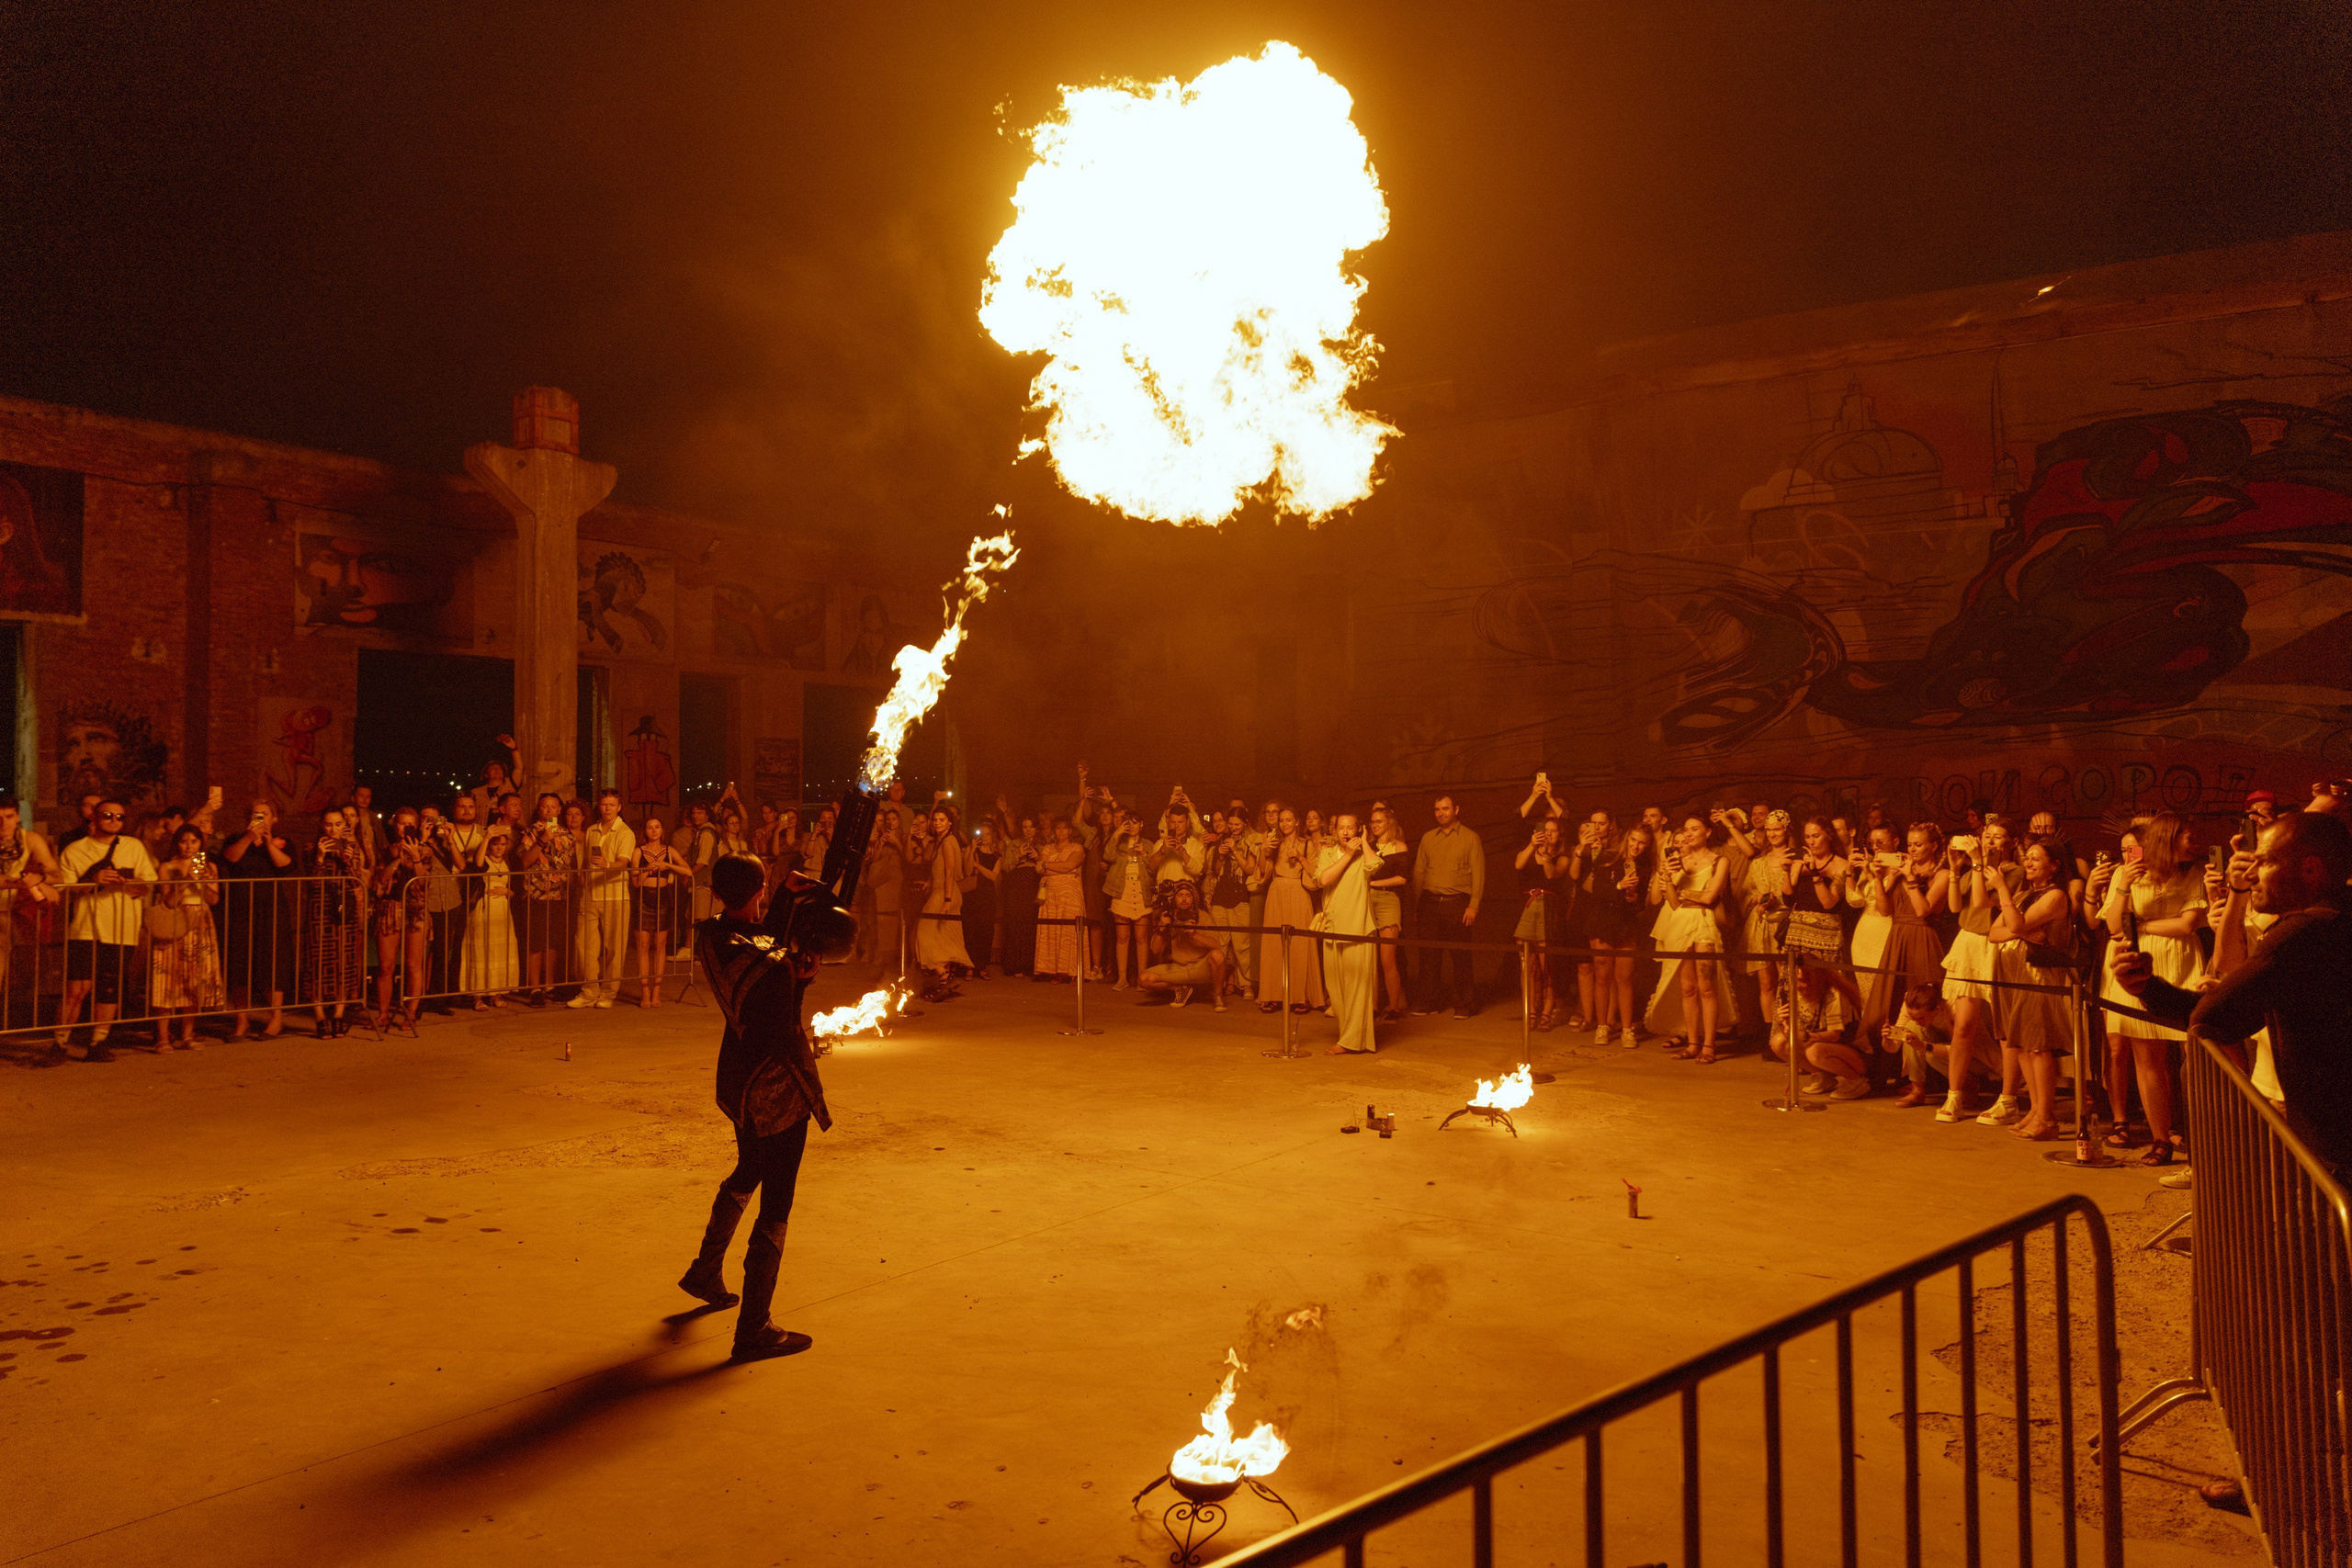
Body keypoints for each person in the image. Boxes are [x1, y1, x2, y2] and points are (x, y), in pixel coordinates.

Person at [2113, 810, 2352, 1177]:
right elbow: (2234, 1012)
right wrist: (2150, 988)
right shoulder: (2340, 917)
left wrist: (2153, 990)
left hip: (2331, 1144)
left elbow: (2213, 1017)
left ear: (2310, 869)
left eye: (2267, 861)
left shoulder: (2302, 933)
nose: (2251, 874)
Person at [680, 852, 840, 1362]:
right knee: (778, 1200)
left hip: (737, 1079)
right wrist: (803, 975)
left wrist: (790, 900)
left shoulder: (712, 936)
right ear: (757, 891)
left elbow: (757, 940)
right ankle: (754, 1326)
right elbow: (779, 1010)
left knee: (749, 1166)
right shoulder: (770, 965)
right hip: (775, 1086)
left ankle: (706, 1269)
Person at [2097, 811, 2206, 1164]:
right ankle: (2160, 1139)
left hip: (2182, 962)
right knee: (2148, 1060)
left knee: (2196, 1056)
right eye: (2187, 837)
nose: (2195, 843)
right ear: (2166, 840)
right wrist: (2125, 886)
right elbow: (2115, 926)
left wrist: (2142, 925)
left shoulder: (2194, 873)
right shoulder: (2123, 875)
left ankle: (2199, 1136)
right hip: (2138, 963)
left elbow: (2188, 924)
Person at [55, 798, 160, 1058]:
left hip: (121, 926)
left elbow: (148, 882)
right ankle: (59, 1041)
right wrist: (94, 880)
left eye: (120, 817)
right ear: (94, 817)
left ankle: (99, 1041)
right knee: (76, 988)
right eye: (107, 816)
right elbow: (66, 890)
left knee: (109, 987)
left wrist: (129, 882)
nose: (114, 821)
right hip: (85, 927)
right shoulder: (75, 851)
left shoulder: (134, 847)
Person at [1989, 840, 2078, 1139]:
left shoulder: (2055, 896)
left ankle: (2047, 1118)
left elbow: (2012, 925)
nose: (2028, 863)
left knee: (2038, 1046)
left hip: (2038, 976)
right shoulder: (2026, 893)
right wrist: (2023, 928)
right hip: (2015, 975)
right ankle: (2036, 1110)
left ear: (2054, 865)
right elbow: (1995, 932)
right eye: (2027, 858)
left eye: (2036, 859)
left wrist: (2003, 891)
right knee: (2023, 1045)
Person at [1939, 820, 2024, 1124]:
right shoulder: (1975, 868)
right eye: (1986, 836)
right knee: (1963, 1025)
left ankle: (2008, 1099)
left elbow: (1981, 902)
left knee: (2004, 1029)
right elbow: (1953, 906)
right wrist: (1954, 868)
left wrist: (1977, 864)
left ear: (2011, 842)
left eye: (1998, 837)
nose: (1990, 841)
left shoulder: (2013, 871)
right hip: (1967, 944)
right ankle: (1954, 1096)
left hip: (1994, 944)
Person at [1645, 815, 1733, 1060]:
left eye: (1695, 829)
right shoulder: (1678, 860)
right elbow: (1673, 903)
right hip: (1680, 922)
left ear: (1707, 831)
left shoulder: (1720, 860)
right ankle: (1693, 1043)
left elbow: (1710, 897)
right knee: (1688, 988)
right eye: (1687, 829)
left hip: (1704, 922)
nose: (1690, 833)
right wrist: (1667, 877)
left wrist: (1684, 892)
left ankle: (1709, 1046)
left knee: (1707, 986)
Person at [1863, 823, 1951, 1064]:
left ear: (1933, 846)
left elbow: (1923, 910)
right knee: (1885, 1009)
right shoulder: (1899, 870)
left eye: (1918, 844)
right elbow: (1883, 910)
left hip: (1923, 940)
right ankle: (1895, 1071)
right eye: (1910, 844)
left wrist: (1910, 877)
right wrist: (1880, 879)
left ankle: (1929, 1077)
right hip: (1897, 939)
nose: (1912, 849)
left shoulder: (1941, 875)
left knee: (1925, 1009)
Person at [220, 799, 298, 1039]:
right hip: (242, 908)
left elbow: (286, 866)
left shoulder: (283, 842)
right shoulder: (235, 839)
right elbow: (231, 859)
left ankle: (275, 1019)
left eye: (265, 814)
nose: (260, 818)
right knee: (240, 963)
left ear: (274, 818)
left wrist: (267, 842)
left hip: (271, 907)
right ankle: (242, 1020)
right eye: (256, 814)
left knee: (273, 962)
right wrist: (248, 837)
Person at [147, 825, 223, 1048]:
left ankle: (187, 1034)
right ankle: (162, 1036)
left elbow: (214, 899)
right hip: (175, 921)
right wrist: (186, 879)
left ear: (201, 844)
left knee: (194, 979)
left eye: (194, 841)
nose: (189, 846)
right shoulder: (167, 867)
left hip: (201, 921)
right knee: (167, 978)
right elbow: (169, 901)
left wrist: (201, 881)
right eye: (184, 841)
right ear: (176, 843)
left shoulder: (209, 866)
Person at [1411, 795, 1485, 1019]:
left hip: (1458, 904)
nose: (1440, 813)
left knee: (1460, 957)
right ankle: (1429, 1001)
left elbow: (1478, 873)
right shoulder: (1428, 838)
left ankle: (1464, 1003)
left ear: (1456, 809)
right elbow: (1419, 873)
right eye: (1436, 809)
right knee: (1429, 957)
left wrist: (1473, 906)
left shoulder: (1470, 838)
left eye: (1445, 808)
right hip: (1430, 903)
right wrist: (1416, 907)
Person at [1312, 811, 1377, 1054]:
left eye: (1351, 827)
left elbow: (1375, 866)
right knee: (1336, 990)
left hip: (1358, 928)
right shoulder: (1327, 854)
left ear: (1358, 830)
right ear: (1335, 831)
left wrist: (1365, 843)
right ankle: (1349, 1035)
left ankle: (1350, 1041)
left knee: (1358, 988)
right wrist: (1347, 855)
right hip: (1332, 927)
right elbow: (1324, 879)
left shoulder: (1364, 854)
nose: (1346, 832)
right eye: (1341, 827)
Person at [1585, 821, 1649, 1046]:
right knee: (1602, 976)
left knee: (1625, 978)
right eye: (1633, 840)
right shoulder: (1606, 858)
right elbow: (1598, 892)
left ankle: (1626, 1029)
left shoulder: (1643, 867)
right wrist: (1619, 887)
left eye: (1642, 843)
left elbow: (1640, 904)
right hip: (1602, 922)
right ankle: (1602, 1026)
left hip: (1626, 925)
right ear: (1626, 838)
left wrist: (1634, 900)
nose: (1636, 846)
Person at [1256, 807, 1325, 1013]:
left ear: (1297, 822)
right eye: (1282, 820)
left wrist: (1301, 859)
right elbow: (1261, 871)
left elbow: (1316, 875)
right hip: (1277, 892)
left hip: (1298, 892)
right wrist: (1262, 850)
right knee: (1274, 946)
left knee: (1300, 946)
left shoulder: (1307, 844)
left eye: (1289, 820)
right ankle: (1273, 995)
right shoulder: (1274, 844)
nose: (1285, 824)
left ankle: (1300, 996)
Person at [0, 800, 62, 1029]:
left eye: (8, 816)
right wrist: (18, 881)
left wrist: (41, 880)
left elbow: (56, 874)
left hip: (6, 914)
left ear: (17, 817)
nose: (3, 823)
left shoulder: (30, 840)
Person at [306, 807, 368, 1036]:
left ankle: (339, 1015)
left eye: (338, 824)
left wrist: (349, 862)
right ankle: (320, 1017)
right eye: (329, 824)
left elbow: (358, 882)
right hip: (319, 908)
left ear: (345, 825)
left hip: (344, 909)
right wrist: (320, 858)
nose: (334, 829)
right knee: (318, 962)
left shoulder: (353, 848)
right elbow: (311, 884)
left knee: (344, 960)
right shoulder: (311, 848)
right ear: (322, 825)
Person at [420, 795, 486, 1008]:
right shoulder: (416, 840)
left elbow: (461, 865)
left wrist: (449, 840)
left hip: (451, 900)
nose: (431, 824)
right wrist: (422, 838)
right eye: (426, 819)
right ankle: (423, 995)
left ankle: (444, 996)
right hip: (428, 900)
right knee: (428, 952)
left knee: (448, 950)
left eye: (434, 819)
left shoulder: (444, 839)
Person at [371, 807, 434, 1032]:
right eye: (401, 823)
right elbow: (380, 880)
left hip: (415, 909)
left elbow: (424, 884)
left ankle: (411, 1013)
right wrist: (398, 859)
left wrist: (415, 857)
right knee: (386, 966)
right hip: (390, 908)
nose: (405, 827)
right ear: (394, 824)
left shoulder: (425, 851)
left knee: (413, 965)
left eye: (410, 824)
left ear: (415, 826)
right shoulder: (386, 851)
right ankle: (383, 1014)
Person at [571, 790, 635, 1008]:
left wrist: (608, 865)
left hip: (615, 895)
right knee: (584, 945)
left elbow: (624, 862)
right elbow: (585, 859)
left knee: (614, 948)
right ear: (598, 806)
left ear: (619, 807)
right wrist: (581, 876)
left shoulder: (625, 832)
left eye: (612, 804)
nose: (607, 808)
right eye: (604, 804)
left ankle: (608, 993)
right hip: (590, 894)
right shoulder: (591, 830)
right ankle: (588, 991)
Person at [517, 793, 577, 1005]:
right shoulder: (530, 832)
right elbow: (524, 861)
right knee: (536, 942)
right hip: (536, 894)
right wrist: (541, 842)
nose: (549, 810)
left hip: (560, 895)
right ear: (539, 809)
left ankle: (549, 985)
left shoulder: (568, 835)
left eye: (553, 807)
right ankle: (534, 989)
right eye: (545, 807)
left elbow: (570, 865)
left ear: (559, 810)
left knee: (553, 942)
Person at [1136, 879, 1229, 1011]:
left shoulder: (1203, 916)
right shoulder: (1168, 917)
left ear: (1193, 898)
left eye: (1188, 895)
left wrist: (1194, 935)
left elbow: (1216, 945)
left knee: (1218, 956)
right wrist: (1162, 928)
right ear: (1174, 898)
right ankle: (1180, 989)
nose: (1184, 899)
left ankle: (1217, 996)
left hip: (1199, 967)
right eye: (1180, 895)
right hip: (1178, 968)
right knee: (1143, 978)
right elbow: (1155, 949)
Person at [631, 816, 693, 1007]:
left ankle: (657, 990)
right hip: (643, 898)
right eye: (650, 827)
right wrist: (646, 870)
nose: (654, 830)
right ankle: (644, 991)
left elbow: (688, 871)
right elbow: (635, 882)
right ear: (645, 831)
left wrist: (667, 865)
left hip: (663, 897)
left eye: (657, 827)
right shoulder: (638, 851)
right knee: (643, 945)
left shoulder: (669, 850)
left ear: (662, 830)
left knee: (661, 944)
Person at [461, 825, 522, 1005]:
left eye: (502, 844)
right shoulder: (484, 858)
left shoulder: (509, 861)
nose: (499, 848)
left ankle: (496, 992)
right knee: (481, 951)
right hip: (483, 910)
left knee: (499, 952)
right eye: (496, 844)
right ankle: (477, 996)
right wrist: (486, 838)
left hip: (502, 911)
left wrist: (507, 892)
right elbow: (478, 866)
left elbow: (517, 890)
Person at [913, 805, 974, 985]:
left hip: (945, 894)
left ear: (949, 823)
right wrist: (930, 883)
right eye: (936, 819)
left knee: (923, 933)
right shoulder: (942, 841)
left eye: (942, 820)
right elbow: (937, 868)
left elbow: (949, 872)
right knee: (943, 936)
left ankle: (942, 973)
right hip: (942, 891)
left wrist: (946, 901)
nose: (938, 823)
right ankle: (946, 977)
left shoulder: (948, 842)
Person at [1512, 816, 1563, 1029]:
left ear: (1560, 835)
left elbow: (1551, 876)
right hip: (1528, 906)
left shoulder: (1561, 857)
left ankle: (1547, 1012)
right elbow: (1518, 864)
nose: (1548, 833)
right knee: (1528, 964)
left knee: (1547, 964)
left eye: (1553, 830)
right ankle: (1530, 1010)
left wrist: (1546, 856)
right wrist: (1533, 845)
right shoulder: (1529, 850)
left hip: (1548, 907)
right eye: (1545, 829)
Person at [1364, 804, 1411, 1021]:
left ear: (1388, 823)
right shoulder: (1368, 846)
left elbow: (1401, 879)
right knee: (1369, 958)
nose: (1375, 825)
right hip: (1367, 901)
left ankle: (1394, 1006)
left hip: (1388, 899)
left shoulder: (1399, 846)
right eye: (1372, 821)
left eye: (1379, 821)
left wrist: (1375, 884)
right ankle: (1373, 1005)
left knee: (1387, 959)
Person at [1101, 807, 1153, 989]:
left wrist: (1144, 855)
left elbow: (1154, 870)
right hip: (1121, 891)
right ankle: (1122, 978)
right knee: (1122, 937)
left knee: (1141, 937)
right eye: (1128, 822)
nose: (1132, 826)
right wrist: (1117, 834)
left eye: (1135, 822)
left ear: (1142, 824)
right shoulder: (1119, 842)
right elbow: (1107, 856)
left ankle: (1142, 979)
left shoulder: (1148, 844)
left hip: (1141, 891)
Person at [1035, 818, 1087, 982]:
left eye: (1064, 828)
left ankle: (1072, 971)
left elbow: (1069, 865)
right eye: (1058, 828)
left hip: (1070, 896)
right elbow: (1038, 868)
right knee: (1052, 931)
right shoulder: (1047, 847)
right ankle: (1052, 970)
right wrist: (1063, 870)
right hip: (1050, 895)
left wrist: (1047, 866)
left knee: (1069, 932)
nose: (1061, 832)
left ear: (1070, 831)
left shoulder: (1077, 848)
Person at [999, 816, 1041, 977]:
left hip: (1033, 884)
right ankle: (1014, 965)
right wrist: (1017, 855)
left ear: (1036, 828)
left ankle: (1029, 965)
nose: (1028, 830)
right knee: (1015, 924)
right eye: (1025, 827)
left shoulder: (1043, 843)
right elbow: (1006, 867)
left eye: (1031, 826)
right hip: (1017, 885)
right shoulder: (1014, 843)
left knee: (1031, 926)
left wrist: (1037, 857)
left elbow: (1046, 865)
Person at [963, 820, 1001, 978]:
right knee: (971, 931)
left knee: (986, 932)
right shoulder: (974, 852)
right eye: (982, 833)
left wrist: (979, 867)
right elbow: (967, 871)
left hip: (987, 896)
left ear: (993, 837)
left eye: (988, 834)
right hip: (973, 895)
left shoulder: (997, 856)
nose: (985, 837)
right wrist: (971, 851)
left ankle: (982, 966)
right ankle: (969, 967)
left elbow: (993, 876)